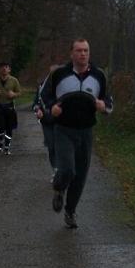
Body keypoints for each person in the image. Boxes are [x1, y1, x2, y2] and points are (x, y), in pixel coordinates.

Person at [40, 38, 113, 229]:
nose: (83, 54)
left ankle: (70, 211)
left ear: (89, 53)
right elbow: (44, 96)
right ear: (71, 53)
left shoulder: (99, 76)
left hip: (86, 132)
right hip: (63, 130)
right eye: (79, 50)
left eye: (86, 51)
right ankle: (58, 188)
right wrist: (51, 108)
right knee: (67, 170)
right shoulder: (59, 74)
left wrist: (103, 106)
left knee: (80, 177)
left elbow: (108, 101)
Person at [32, 64, 61, 182]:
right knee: (51, 146)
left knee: (63, 146)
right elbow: (35, 103)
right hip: (47, 121)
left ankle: (65, 170)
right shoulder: (41, 87)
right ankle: (56, 170)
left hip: (63, 121)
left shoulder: (66, 87)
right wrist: (38, 110)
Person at [0, 62, 21, 155]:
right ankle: (1, 139)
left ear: (9, 70)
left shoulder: (14, 80)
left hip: (10, 107)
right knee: (0, 127)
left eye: (6, 67)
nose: (4, 69)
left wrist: (14, 94)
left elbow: (19, 92)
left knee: (9, 128)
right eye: (2, 67)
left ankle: (7, 147)